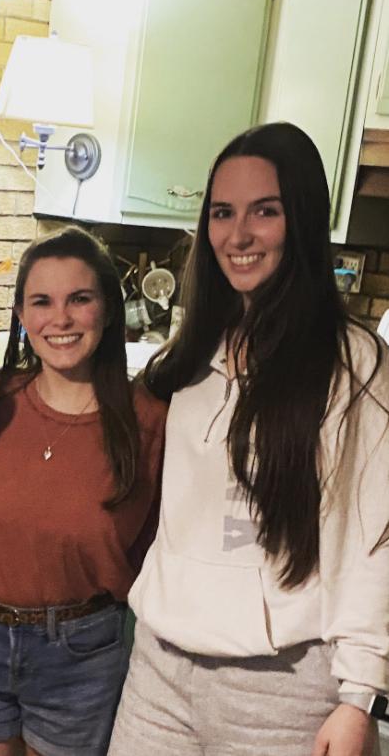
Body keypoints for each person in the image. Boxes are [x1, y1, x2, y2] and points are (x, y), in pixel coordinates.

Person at [108, 122, 389, 756]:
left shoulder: (355, 367)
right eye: (222, 213)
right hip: (158, 670)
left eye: (265, 211)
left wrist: (359, 697)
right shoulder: (189, 356)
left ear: (303, 220)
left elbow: (372, 539)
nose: (238, 235)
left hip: (284, 688)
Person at [0, 226, 167, 756]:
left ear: (108, 309)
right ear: (21, 314)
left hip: (81, 653)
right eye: (42, 302)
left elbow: (158, 547)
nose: (60, 319)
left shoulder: (149, 420)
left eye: (79, 299)